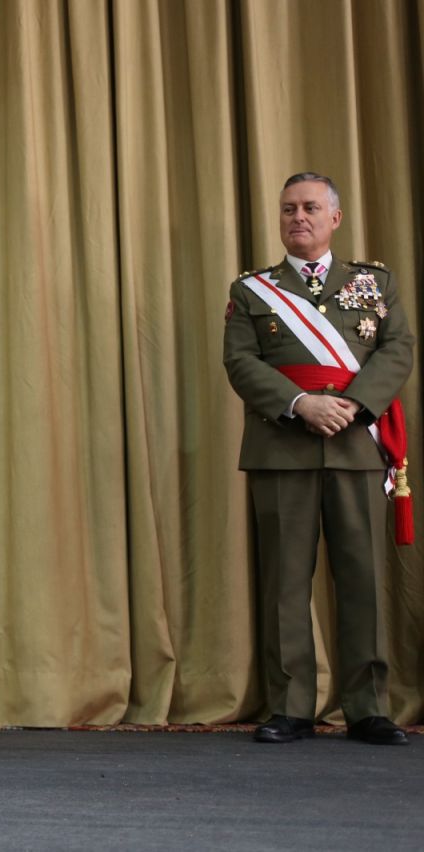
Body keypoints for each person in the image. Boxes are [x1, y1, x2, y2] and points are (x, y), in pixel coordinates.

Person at [223, 172, 413, 746]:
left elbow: (397, 348)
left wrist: (351, 406)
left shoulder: (375, 283)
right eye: (287, 210)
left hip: (356, 444)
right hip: (282, 445)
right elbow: (240, 361)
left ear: (334, 218)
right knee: (285, 581)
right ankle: (290, 707)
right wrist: (301, 403)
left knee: (361, 579)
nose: (297, 217)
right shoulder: (253, 289)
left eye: (309, 208)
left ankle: (367, 707)